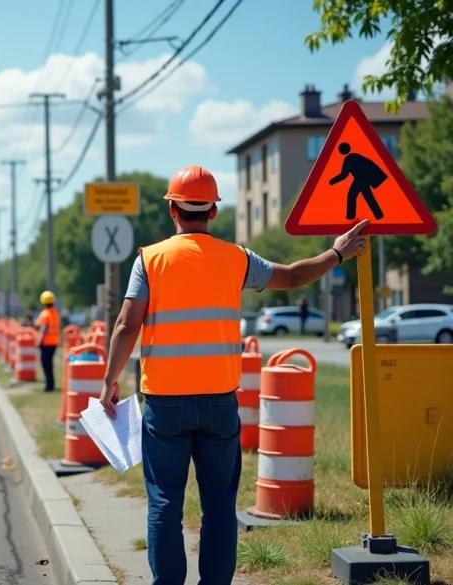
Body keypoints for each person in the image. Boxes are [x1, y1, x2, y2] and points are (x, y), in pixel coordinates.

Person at [97, 165, 368, 585]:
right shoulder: (237, 258)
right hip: (220, 404)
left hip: (165, 406)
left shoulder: (149, 260)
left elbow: (127, 324)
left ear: (172, 209)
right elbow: (294, 276)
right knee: (220, 506)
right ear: (213, 212)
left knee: (165, 505)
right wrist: (336, 253)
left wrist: (110, 380)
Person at [34, 291, 61, 392]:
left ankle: (49, 385)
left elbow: (43, 328)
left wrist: (39, 341)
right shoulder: (55, 313)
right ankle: (50, 384)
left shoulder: (45, 314)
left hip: (46, 343)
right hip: (54, 342)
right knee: (49, 364)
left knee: (46, 364)